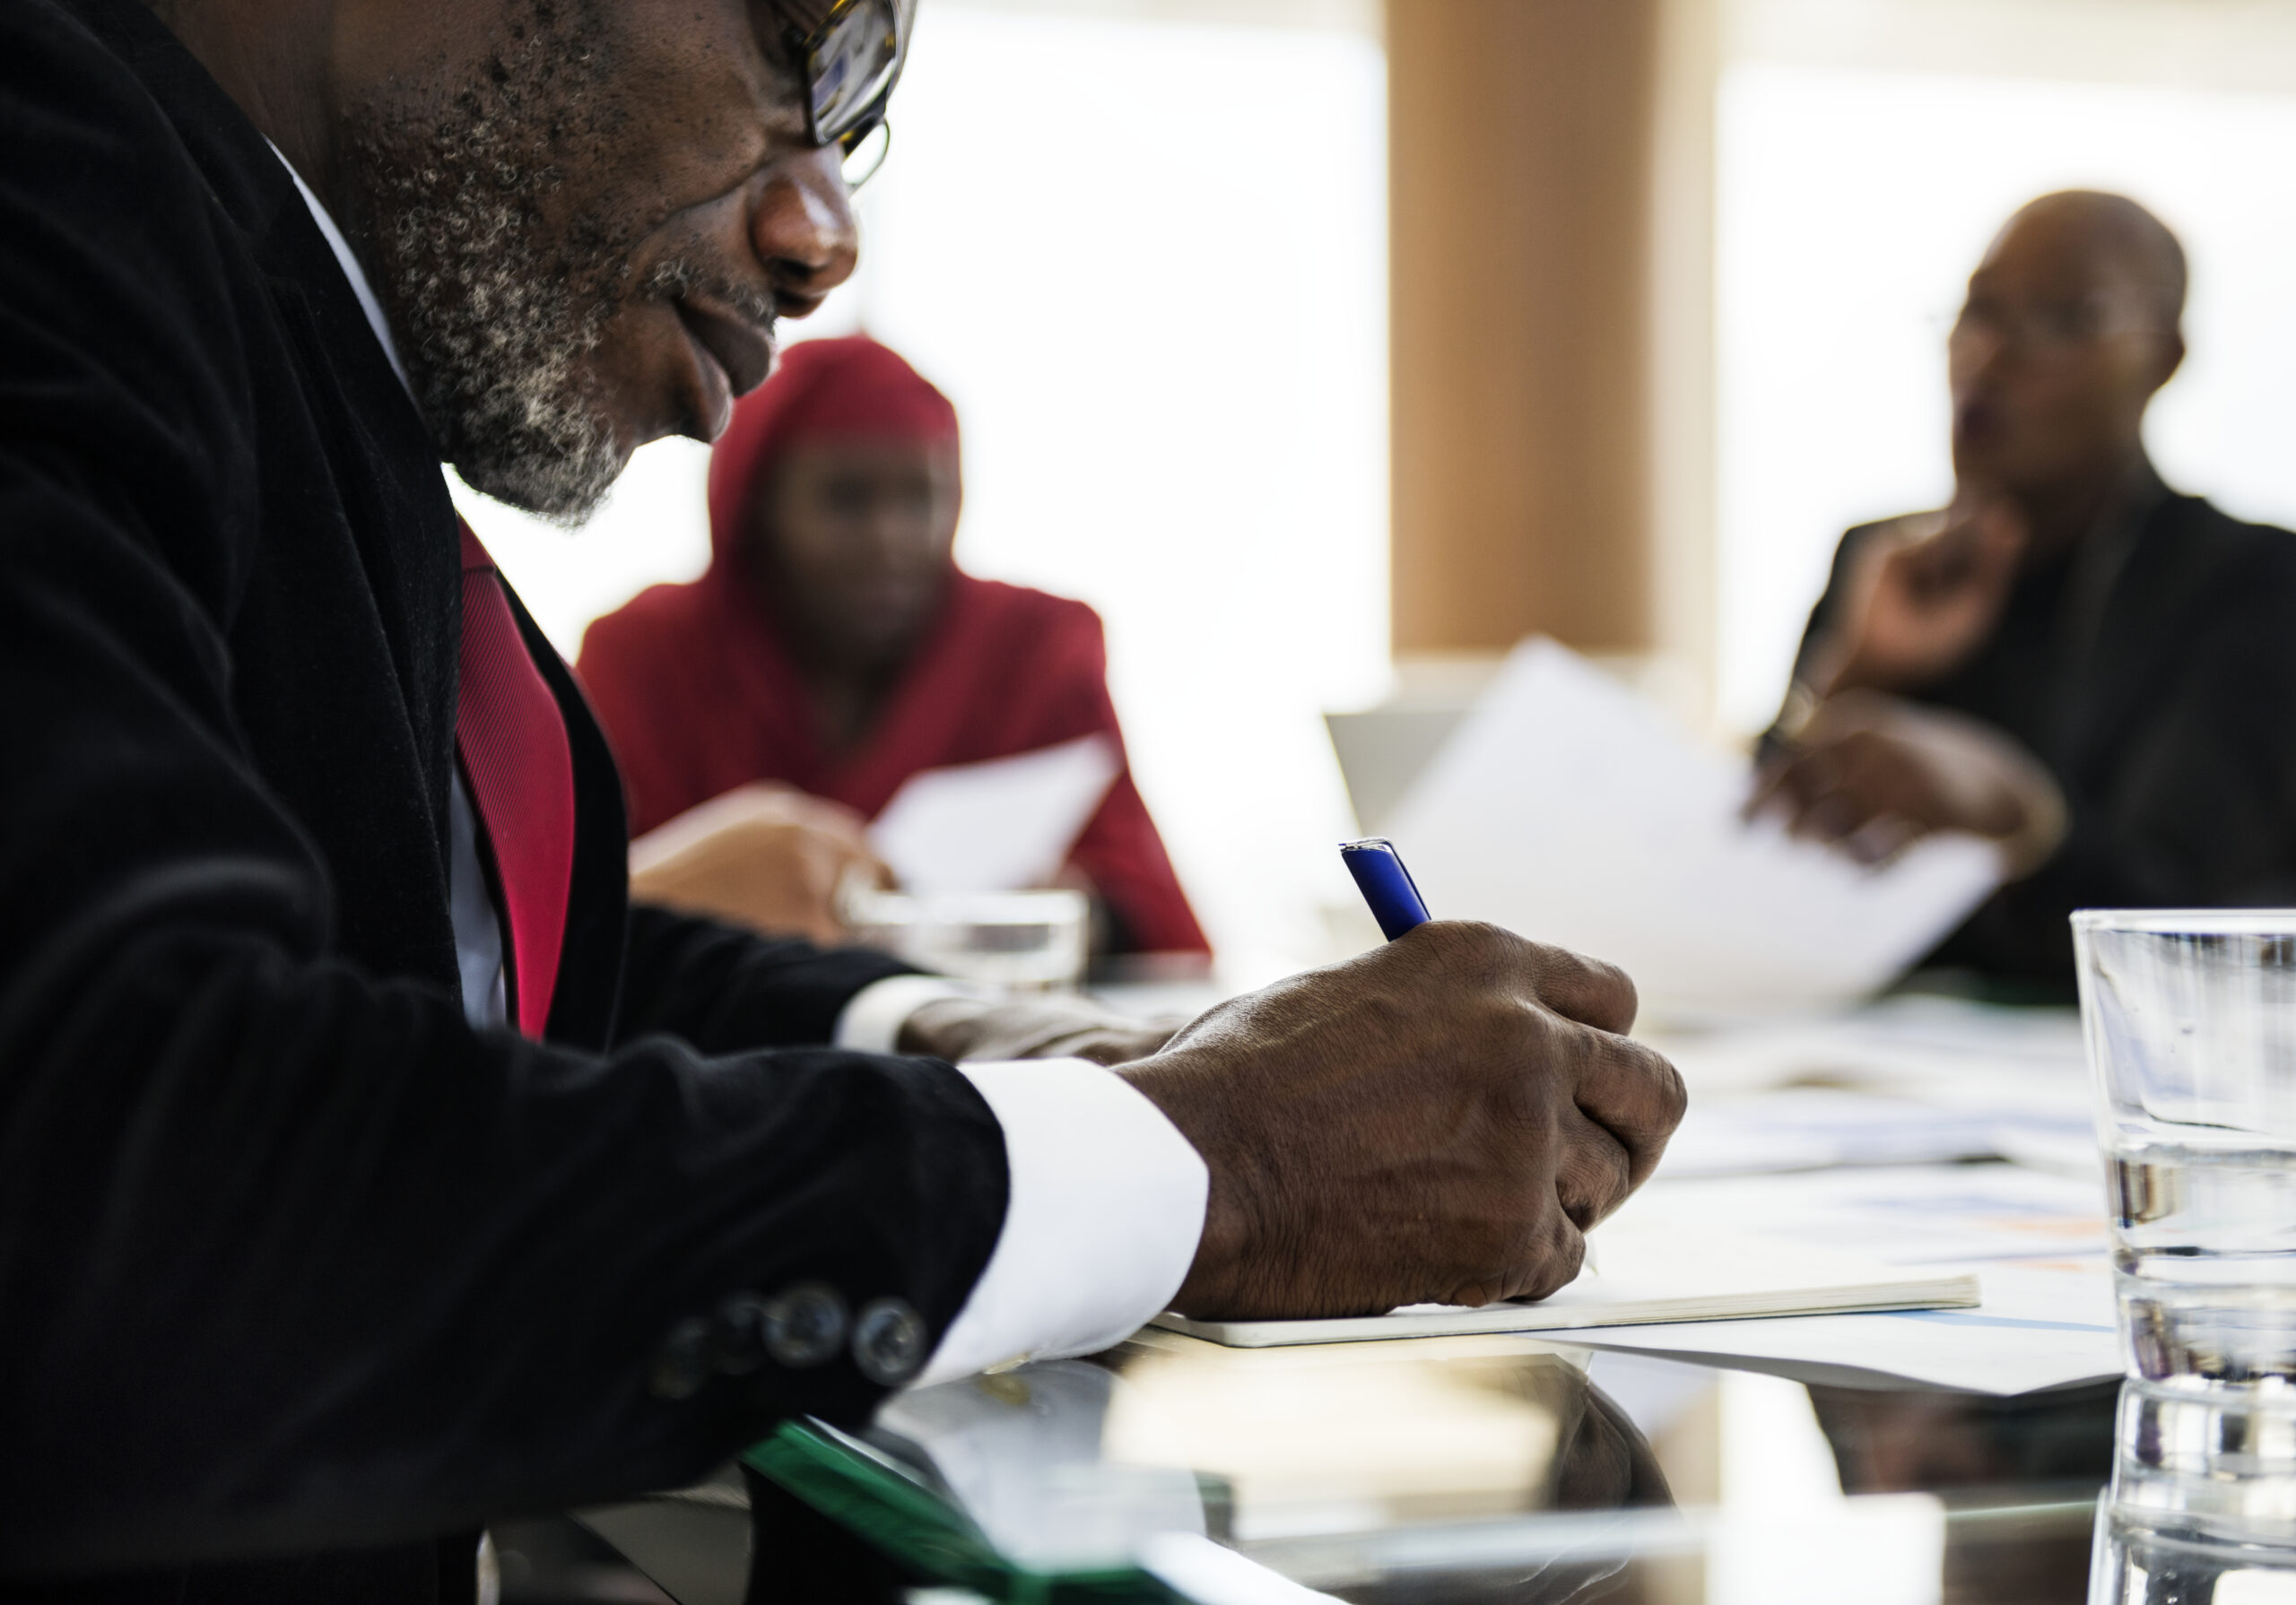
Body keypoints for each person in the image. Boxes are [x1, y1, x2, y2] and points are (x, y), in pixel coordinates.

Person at [0, 0, 1683, 1593]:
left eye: (860, 126)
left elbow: (477, 976)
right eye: (810, 45)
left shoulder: (259, 310)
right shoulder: (45, 179)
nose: (825, 239)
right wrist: (1203, 1162)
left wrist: (976, 1042)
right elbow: (150, 1160)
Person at [1753, 191, 2296, 991]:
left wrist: (2022, 819)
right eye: (1980, 311)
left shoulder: (2248, 581)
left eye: (2061, 319)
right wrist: (1855, 672)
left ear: (2161, 359)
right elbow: (1750, 868)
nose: (1992, 352)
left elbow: (2191, 921)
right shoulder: (1885, 558)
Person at [576, 334, 1209, 959]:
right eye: (847, 499)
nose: (892, 540)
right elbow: (567, 915)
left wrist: (1069, 913)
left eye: (921, 497)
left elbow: (1148, 912)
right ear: (757, 509)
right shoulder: (645, 658)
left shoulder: (1033, 648)